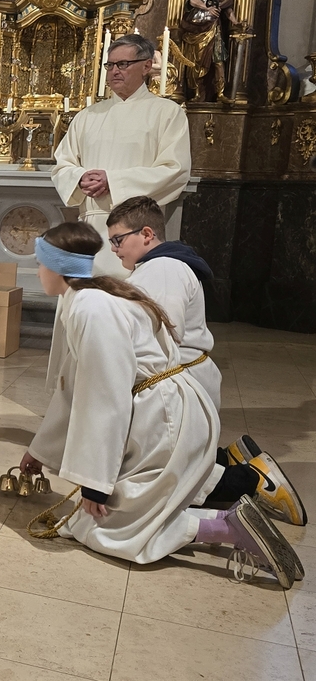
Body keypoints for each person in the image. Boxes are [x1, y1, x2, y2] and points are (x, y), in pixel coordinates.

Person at [21, 222, 302, 589]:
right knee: (116, 507)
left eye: (40, 263)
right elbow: (72, 386)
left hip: (162, 417)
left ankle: (227, 527)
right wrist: (40, 450)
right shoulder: (90, 295)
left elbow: (103, 398)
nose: (38, 272)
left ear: (58, 266)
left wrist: (95, 485)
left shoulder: (91, 308)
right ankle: (242, 493)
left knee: (102, 528)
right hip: (163, 408)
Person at [107, 196, 308, 526]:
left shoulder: (163, 269)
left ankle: (254, 479)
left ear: (146, 234)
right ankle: (227, 459)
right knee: (168, 461)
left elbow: (161, 335)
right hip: (181, 376)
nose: (114, 249)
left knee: (164, 479)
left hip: (176, 382)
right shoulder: (159, 266)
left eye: (118, 240)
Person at [51, 32, 191, 278]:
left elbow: (175, 169)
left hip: (137, 229)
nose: (115, 71)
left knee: (128, 295)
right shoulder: (87, 116)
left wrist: (113, 182)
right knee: (84, 295)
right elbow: (63, 164)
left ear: (146, 66)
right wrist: (80, 178)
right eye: (110, 65)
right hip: (90, 229)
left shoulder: (167, 113)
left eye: (123, 64)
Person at [180, 0, 240, 102]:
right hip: (198, 25)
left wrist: (235, 22)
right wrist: (207, 8)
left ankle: (220, 94)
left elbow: (227, 7)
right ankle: (196, 93)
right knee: (198, 60)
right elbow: (192, 0)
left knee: (218, 60)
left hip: (214, 27)